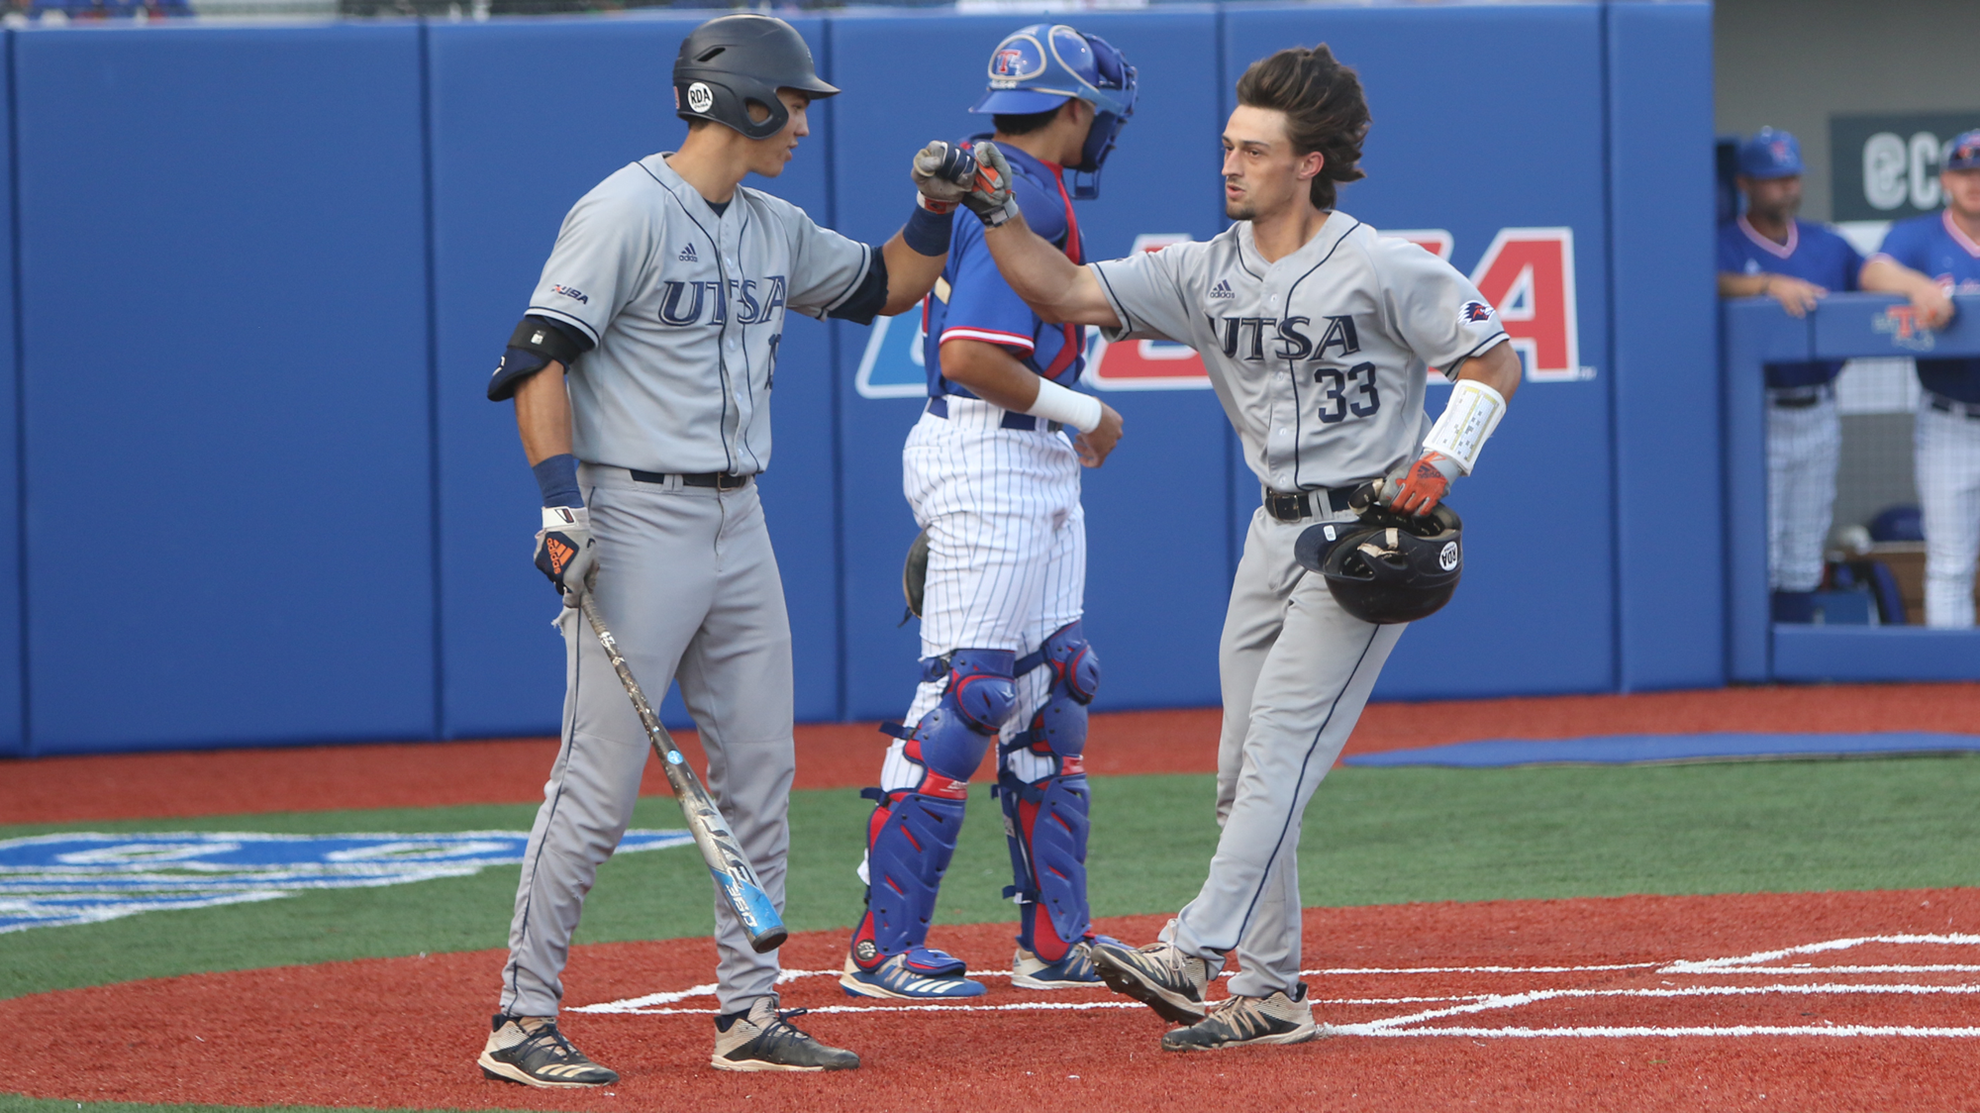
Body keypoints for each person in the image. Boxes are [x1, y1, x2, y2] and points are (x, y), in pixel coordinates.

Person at [916, 44, 1520, 1050]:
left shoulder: (1383, 264)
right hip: (1271, 533)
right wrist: (991, 209)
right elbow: (1061, 290)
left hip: (1366, 538)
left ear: (1309, 163)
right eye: (1228, 145)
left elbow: (1493, 360)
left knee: (1281, 747)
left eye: (1255, 150)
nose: (1231, 164)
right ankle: (1275, 994)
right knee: (1243, 774)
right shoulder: (1204, 270)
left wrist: (1443, 459)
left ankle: (1193, 950)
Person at [475, 14, 957, 1082]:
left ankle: (748, 1014)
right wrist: (562, 509)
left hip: (740, 518)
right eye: (791, 104)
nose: (802, 123)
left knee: (762, 771)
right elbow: (536, 360)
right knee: (597, 784)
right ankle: (520, 1018)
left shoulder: (772, 223)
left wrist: (933, 210)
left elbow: (886, 284)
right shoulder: (621, 210)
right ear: (739, 99)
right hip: (635, 515)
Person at [839, 23, 1132, 1002]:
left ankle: (1055, 941)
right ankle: (883, 947)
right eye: (1100, 114)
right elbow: (966, 354)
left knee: (1053, 690)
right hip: (989, 449)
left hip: (1025, 459)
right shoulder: (1027, 191)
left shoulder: (994, 178)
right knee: (966, 701)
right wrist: (1081, 407)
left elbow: (920, 292)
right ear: (1076, 110)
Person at [1714, 127, 1951, 623]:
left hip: (1819, 406)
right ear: (1745, 183)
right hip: (1756, 411)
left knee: (1804, 539)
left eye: (1791, 177)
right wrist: (1765, 283)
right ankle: (1752, 673)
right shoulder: (1725, 243)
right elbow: (1702, 280)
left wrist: (1916, 285)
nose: (1786, 188)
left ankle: (1794, 660)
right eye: (1773, 179)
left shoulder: (1825, 242)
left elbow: (1871, 274)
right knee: (1760, 541)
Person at [1871, 129, 1980, 627]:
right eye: (1964, 172)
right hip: (1949, 420)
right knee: (1951, 565)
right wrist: (1919, 286)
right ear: (1944, 181)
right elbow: (1873, 273)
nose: (1974, 182)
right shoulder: (1919, 236)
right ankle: (1952, 690)